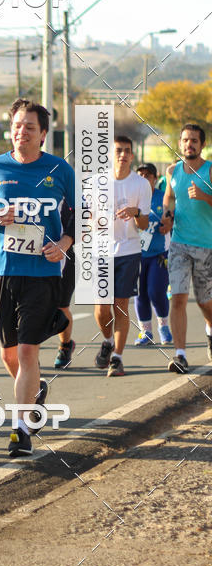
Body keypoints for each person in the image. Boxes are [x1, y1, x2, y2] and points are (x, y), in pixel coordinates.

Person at [0, 99, 74, 458]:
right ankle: (36, 390)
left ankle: (21, 429)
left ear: (43, 134)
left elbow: (80, 213)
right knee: (9, 353)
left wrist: (64, 242)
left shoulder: (59, 169)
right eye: (16, 125)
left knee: (29, 349)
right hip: (3, 269)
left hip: (42, 271)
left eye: (29, 126)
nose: (21, 131)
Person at [94, 136, 151, 377]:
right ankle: (107, 340)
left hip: (129, 250)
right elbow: (88, 219)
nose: (123, 155)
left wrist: (135, 211)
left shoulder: (141, 185)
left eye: (127, 151)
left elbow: (145, 224)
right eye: (118, 150)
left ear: (132, 154)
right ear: (109, 153)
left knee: (121, 306)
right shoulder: (96, 182)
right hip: (101, 250)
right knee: (101, 308)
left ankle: (117, 358)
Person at [160, 123, 212, 372]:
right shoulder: (172, 171)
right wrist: (167, 216)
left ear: (202, 145)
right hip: (179, 243)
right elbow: (168, 197)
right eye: (185, 140)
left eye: (194, 140)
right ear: (180, 143)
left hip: (207, 246)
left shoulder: (210, 171)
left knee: (205, 303)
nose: (189, 144)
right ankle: (180, 355)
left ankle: (210, 332)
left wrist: (205, 197)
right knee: (178, 298)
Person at [134, 163, 172, 346]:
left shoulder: (162, 198)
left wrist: (168, 224)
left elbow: (172, 217)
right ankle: (145, 332)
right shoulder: (131, 199)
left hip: (160, 254)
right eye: (140, 175)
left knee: (156, 291)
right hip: (135, 255)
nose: (143, 178)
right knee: (140, 293)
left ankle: (163, 326)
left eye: (147, 175)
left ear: (155, 178)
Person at [54, 199, 76, 369]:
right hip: (37, 254)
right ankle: (31, 352)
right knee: (34, 306)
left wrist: (67, 240)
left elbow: (81, 218)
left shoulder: (68, 194)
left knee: (61, 306)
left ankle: (65, 345)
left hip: (65, 256)